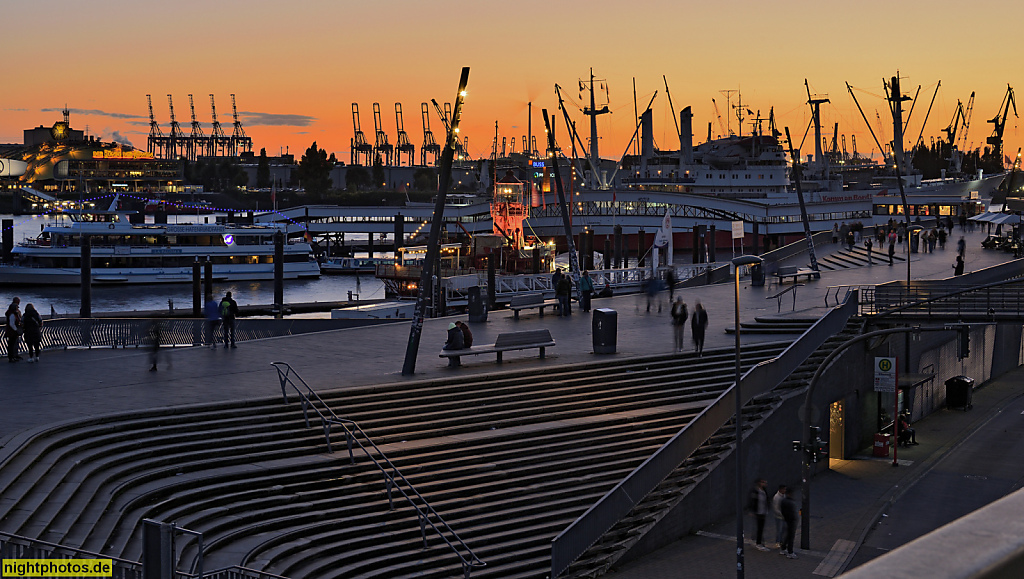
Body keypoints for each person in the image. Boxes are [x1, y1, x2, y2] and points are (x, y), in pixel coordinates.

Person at [747, 478, 770, 551]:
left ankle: (757, 540)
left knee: (760, 527)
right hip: (758, 512)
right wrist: (751, 510)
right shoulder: (755, 491)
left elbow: (766, 500)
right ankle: (759, 543)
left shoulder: (764, 490)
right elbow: (751, 501)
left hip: (763, 511)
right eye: (763, 482)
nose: (765, 483)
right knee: (759, 528)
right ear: (759, 483)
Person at [781, 487, 799, 558]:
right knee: (791, 537)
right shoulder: (790, 502)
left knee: (788, 535)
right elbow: (792, 513)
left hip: (787, 520)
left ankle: (783, 548)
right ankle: (790, 552)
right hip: (791, 521)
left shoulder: (784, 501)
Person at [6, 297, 22, 363]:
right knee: (12, 344)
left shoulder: (11, 313)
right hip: (12, 332)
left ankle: (13, 356)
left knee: (12, 344)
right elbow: (12, 324)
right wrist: (16, 330)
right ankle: (12, 357)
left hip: (11, 331)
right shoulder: (13, 314)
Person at [772, 484, 787, 550]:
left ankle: (781, 541)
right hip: (779, 516)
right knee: (779, 529)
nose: (785, 490)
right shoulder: (777, 497)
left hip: (783, 516)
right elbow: (776, 509)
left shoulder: (784, 496)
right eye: (784, 489)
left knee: (783, 529)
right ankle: (778, 541)